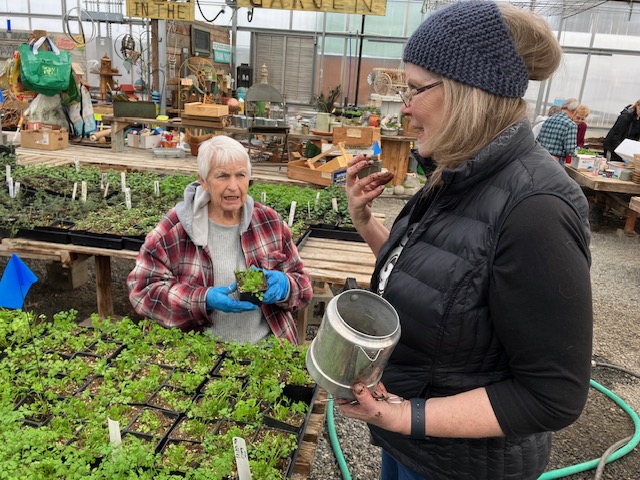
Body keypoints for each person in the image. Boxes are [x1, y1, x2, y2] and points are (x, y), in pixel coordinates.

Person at [340, 2, 593, 480]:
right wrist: (365, 220)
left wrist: (405, 415)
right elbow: (438, 286)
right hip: (413, 447)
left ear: (468, 92)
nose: (405, 105)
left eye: (415, 89)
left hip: (463, 465)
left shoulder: (535, 208)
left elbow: (552, 395)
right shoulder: (457, 173)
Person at [127, 136, 313, 345]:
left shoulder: (270, 222)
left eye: (240, 175)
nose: (233, 186)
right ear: (204, 181)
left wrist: (286, 286)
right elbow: (142, 292)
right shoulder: (173, 230)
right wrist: (201, 300)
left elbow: (303, 286)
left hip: (265, 351)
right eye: (222, 176)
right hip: (196, 355)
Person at [537, 97, 580, 164]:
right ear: (574, 112)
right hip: (555, 161)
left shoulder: (548, 119)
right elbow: (570, 150)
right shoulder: (571, 125)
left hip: (540, 158)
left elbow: (538, 140)